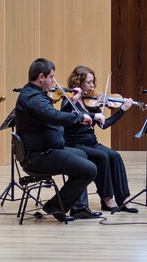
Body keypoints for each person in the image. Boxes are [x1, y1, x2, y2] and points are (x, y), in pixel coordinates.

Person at [15, 58, 99, 221]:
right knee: (90, 170)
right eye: (51, 77)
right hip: (39, 156)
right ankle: (55, 206)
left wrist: (72, 103)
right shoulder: (33, 98)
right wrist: (80, 117)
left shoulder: (35, 94)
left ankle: (78, 207)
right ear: (41, 77)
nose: (53, 81)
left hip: (47, 150)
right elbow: (53, 116)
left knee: (81, 154)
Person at [61, 65, 138, 214]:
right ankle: (107, 198)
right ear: (79, 82)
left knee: (115, 156)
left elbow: (104, 125)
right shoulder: (69, 101)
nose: (92, 86)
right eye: (89, 82)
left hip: (91, 142)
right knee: (102, 157)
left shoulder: (92, 103)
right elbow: (65, 121)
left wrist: (122, 110)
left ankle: (124, 198)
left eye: (93, 82)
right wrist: (85, 112)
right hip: (75, 144)